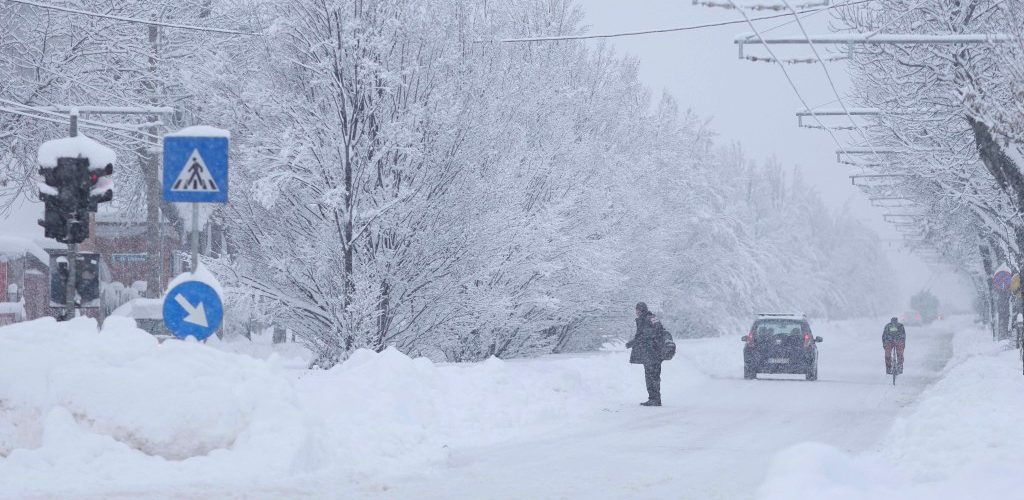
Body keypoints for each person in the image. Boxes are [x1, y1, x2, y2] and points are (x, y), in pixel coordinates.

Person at [626, 302, 664, 407]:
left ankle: (655, 399)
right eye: (636, 309)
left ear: (642, 309)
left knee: (653, 376)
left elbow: (658, 330)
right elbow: (641, 336)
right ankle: (653, 398)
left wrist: (641, 338)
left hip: (653, 352)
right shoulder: (641, 320)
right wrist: (633, 342)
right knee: (649, 376)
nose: (636, 312)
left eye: (637, 309)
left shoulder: (651, 318)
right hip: (648, 353)